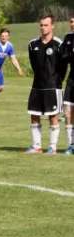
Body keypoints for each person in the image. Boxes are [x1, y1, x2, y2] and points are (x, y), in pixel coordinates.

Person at [25, 14, 66, 154]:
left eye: (46, 25)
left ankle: (52, 147)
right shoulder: (32, 44)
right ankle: (37, 146)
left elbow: (63, 67)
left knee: (52, 115)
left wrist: (57, 82)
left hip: (53, 85)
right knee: (34, 114)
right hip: (37, 85)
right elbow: (34, 64)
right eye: (41, 25)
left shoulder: (59, 45)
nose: (43, 27)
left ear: (52, 25)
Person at [59, 15, 74, 154]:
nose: (72, 24)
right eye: (71, 21)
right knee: (68, 112)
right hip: (72, 79)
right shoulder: (68, 38)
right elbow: (63, 57)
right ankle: (71, 146)